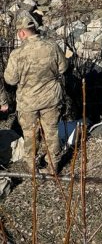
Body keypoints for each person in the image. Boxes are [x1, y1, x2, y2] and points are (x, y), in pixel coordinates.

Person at [4, 15, 68, 173]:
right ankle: (53, 165)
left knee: (30, 134)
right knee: (52, 131)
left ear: (23, 33)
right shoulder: (52, 46)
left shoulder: (17, 54)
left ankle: (32, 167)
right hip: (51, 98)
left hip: (28, 102)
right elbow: (63, 68)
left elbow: (10, 80)